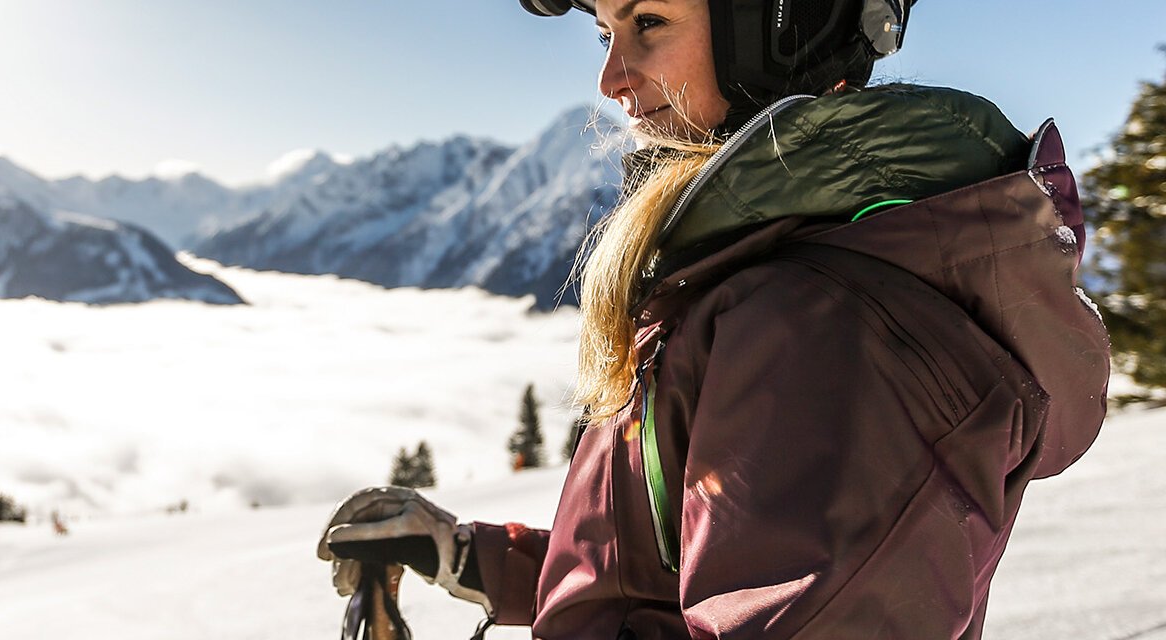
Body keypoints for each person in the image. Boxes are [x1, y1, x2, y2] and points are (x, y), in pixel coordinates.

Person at [316, 0, 1112, 638]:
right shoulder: (749, 279)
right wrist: (471, 557)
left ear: (782, 29)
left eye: (647, 22)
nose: (608, 78)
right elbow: (660, 569)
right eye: (603, 31)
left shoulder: (820, 330)